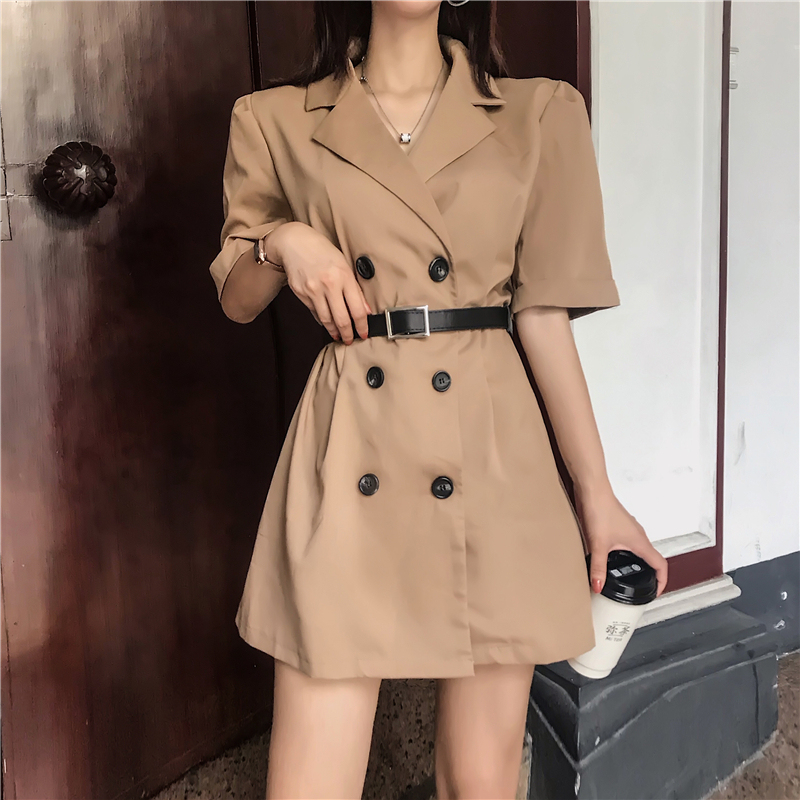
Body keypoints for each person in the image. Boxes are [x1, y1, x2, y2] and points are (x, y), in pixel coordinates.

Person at [209, 1, 669, 797]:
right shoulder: (273, 118)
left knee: (481, 781)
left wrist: (597, 496)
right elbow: (238, 299)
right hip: (353, 442)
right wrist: (283, 240)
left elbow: (542, 318)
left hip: (492, 447)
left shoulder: (540, 112)